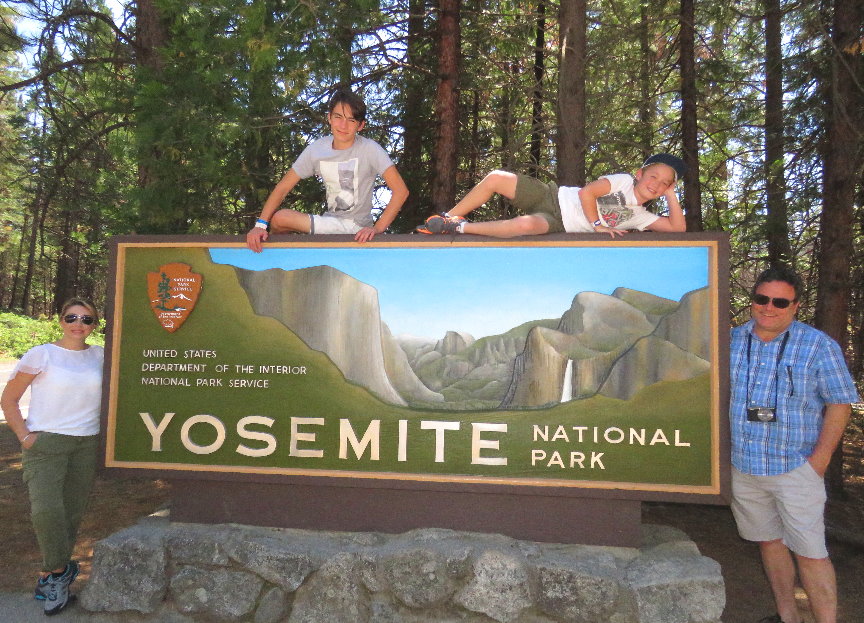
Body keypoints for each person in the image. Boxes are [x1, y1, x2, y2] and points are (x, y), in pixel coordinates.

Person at [729, 266, 859, 623]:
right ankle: (788, 616)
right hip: (744, 467)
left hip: (795, 468)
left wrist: (819, 462)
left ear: (795, 306)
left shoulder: (818, 345)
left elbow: (840, 402)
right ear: (752, 300)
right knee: (768, 543)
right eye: (761, 298)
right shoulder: (731, 340)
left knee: (811, 553)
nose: (769, 307)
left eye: (780, 301)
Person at [1, 298, 104, 616]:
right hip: (46, 445)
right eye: (71, 317)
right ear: (60, 321)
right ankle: (59, 572)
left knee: (70, 515)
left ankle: (52, 578)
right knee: (46, 512)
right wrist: (25, 437)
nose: (78, 324)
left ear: (94, 325)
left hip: (86, 444)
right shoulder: (42, 354)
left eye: (86, 320)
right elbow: (9, 399)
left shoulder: (100, 356)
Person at [245, 89, 409, 252]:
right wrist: (260, 226)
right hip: (331, 222)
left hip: (356, 227)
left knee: (281, 218)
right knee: (278, 221)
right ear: (329, 117)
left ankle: (278, 258)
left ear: (361, 125)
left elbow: (401, 191)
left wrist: (377, 229)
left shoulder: (370, 149)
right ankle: (281, 260)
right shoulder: (317, 149)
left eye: (351, 120)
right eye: (338, 117)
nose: (343, 126)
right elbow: (283, 187)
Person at [416, 153, 686, 238]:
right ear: (639, 173)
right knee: (497, 178)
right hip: (552, 197)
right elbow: (588, 193)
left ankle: (458, 227)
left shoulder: (640, 217)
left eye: (664, 184)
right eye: (653, 177)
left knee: (523, 226)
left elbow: (677, 228)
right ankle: (449, 216)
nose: (657, 185)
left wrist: (673, 196)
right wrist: (597, 225)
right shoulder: (623, 181)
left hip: (558, 223)